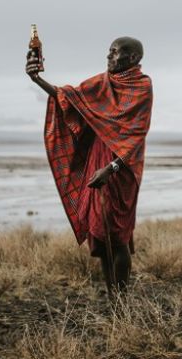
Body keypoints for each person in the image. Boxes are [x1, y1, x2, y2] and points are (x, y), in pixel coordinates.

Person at [25, 36, 153, 295]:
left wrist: (111, 169)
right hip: (98, 159)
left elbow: (137, 135)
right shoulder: (102, 83)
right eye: (108, 52)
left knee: (118, 238)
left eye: (114, 53)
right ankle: (113, 301)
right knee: (101, 234)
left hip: (122, 168)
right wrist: (37, 79)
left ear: (133, 59)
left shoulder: (142, 86)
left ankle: (122, 303)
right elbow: (68, 98)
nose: (108, 57)